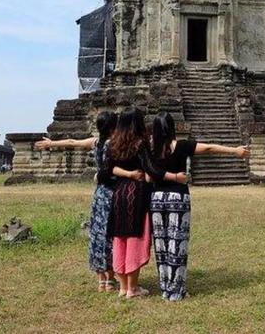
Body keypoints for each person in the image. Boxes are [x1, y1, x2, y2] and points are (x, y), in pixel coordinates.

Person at [34, 111, 142, 292]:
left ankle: (101, 280)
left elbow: (72, 142)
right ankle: (110, 279)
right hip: (114, 194)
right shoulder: (115, 144)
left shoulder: (96, 142)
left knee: (98, 235)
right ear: (114, 127)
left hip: (99, 193)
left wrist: (50, 143)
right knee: (110, 235)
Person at [149, 111, 250, 301]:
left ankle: (165, 287)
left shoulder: (150, 149)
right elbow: (209, 148)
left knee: (161, 244)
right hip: (177, 197)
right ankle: (176, 291)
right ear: (172, 128)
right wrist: (234, 151)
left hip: (156, 198)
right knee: (177, 243)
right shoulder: (181, 146)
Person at [100, 107, 186, 299]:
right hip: (136, 194)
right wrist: (175, 177)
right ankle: (133, 288)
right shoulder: (140, 144)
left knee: (119, 238)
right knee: (134, 238)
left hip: (119, 194)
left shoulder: (113, 144)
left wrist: (125, 174)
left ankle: (123, 287)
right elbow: (151, 170)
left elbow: (105, 172)